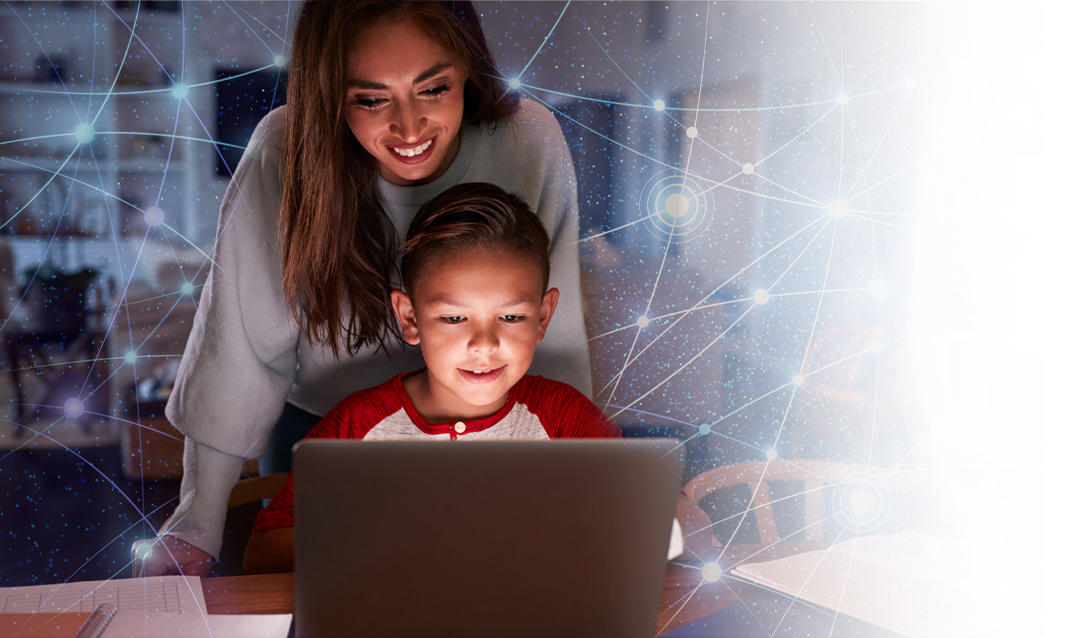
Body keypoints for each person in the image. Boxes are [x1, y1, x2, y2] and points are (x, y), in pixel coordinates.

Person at [132, 0, 592, 578]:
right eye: (371, 99)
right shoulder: (284, 150)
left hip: (491, 430)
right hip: (330, 436)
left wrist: (580, 483)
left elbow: (558, 339)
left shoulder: (528, 140)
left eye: (434, 88)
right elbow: (239, 349)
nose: (409, 128)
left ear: (468, 69)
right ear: (331, 96)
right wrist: (197, 524)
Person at [244, 183, 621, 574]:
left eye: (511, 317)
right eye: (454, 318)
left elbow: (646, 509)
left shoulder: (566, 419)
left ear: (542, 317)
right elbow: (263, 553)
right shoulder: (357, 427)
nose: (484, 345)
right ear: (410, 318)